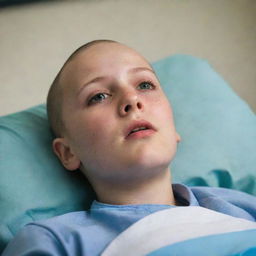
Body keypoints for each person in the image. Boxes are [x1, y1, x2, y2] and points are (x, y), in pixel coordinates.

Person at [2, 40, 256, 255]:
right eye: (98, 96)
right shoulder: (57, 240)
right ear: (68, 152)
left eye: (145, 85)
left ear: (174, 129)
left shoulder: (239, 205)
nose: (132, 99)